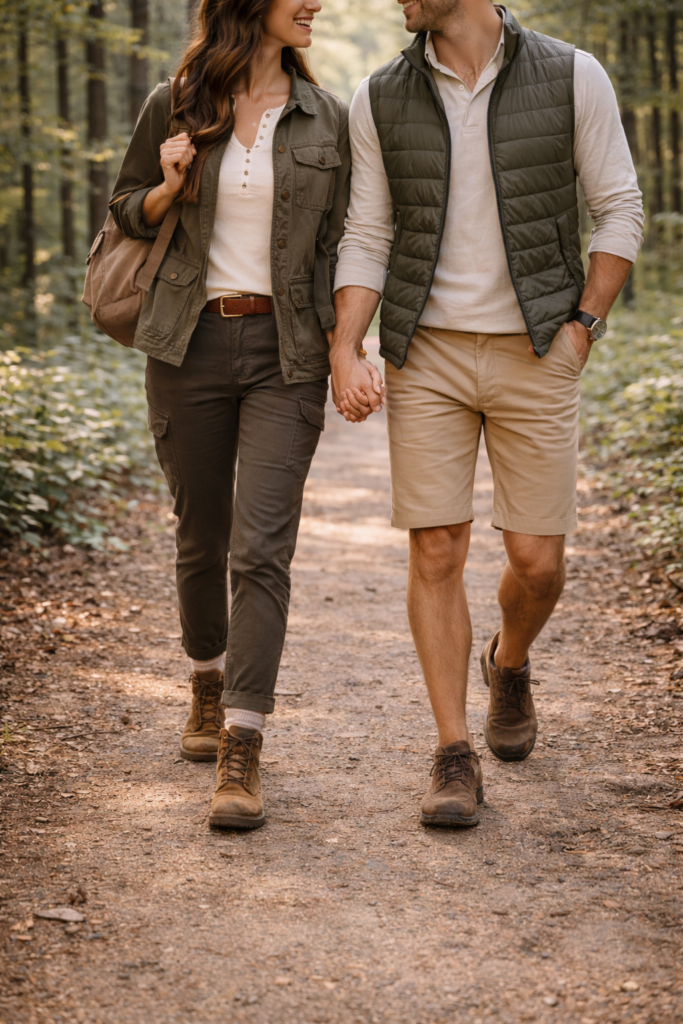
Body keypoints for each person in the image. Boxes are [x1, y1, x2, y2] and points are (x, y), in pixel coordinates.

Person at [328, 0, 644, 826]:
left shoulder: (570, 75)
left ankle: (508, 659)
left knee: (537, 562)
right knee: (435, 546)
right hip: (425, 350)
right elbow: (367, 230)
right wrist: (346, 346)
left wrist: (582, 326)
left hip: (537, 347)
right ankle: (451, 752)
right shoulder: (378, 95)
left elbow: (618, 206)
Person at [109, 0, 367, 828]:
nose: (313, 4)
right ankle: (206, 679)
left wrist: (351, 346)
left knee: (261, 549)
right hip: (185, 344)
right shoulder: (176, 101)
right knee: (201, 535)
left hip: (287, 353)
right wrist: (167, 188)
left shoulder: (328, 116)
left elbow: (350, 239)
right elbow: (123, 208)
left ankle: (242, 741)